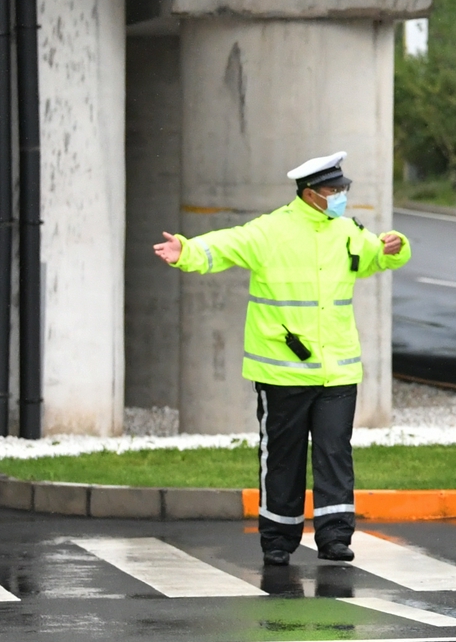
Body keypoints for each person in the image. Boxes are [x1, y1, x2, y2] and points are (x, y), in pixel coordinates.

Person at [152, 152, 410, 565]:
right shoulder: (271, 231)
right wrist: (185, 250)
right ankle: (277, 540)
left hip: (338, 371)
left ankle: (335, 537)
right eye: (334, 190)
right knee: (283, 457)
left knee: (334, 453)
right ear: (310, 194)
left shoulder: (346, 231)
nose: (342, 196)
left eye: (344, 189)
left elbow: (377, 255)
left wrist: (395, 247)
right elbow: (224, 245)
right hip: (283, 371)